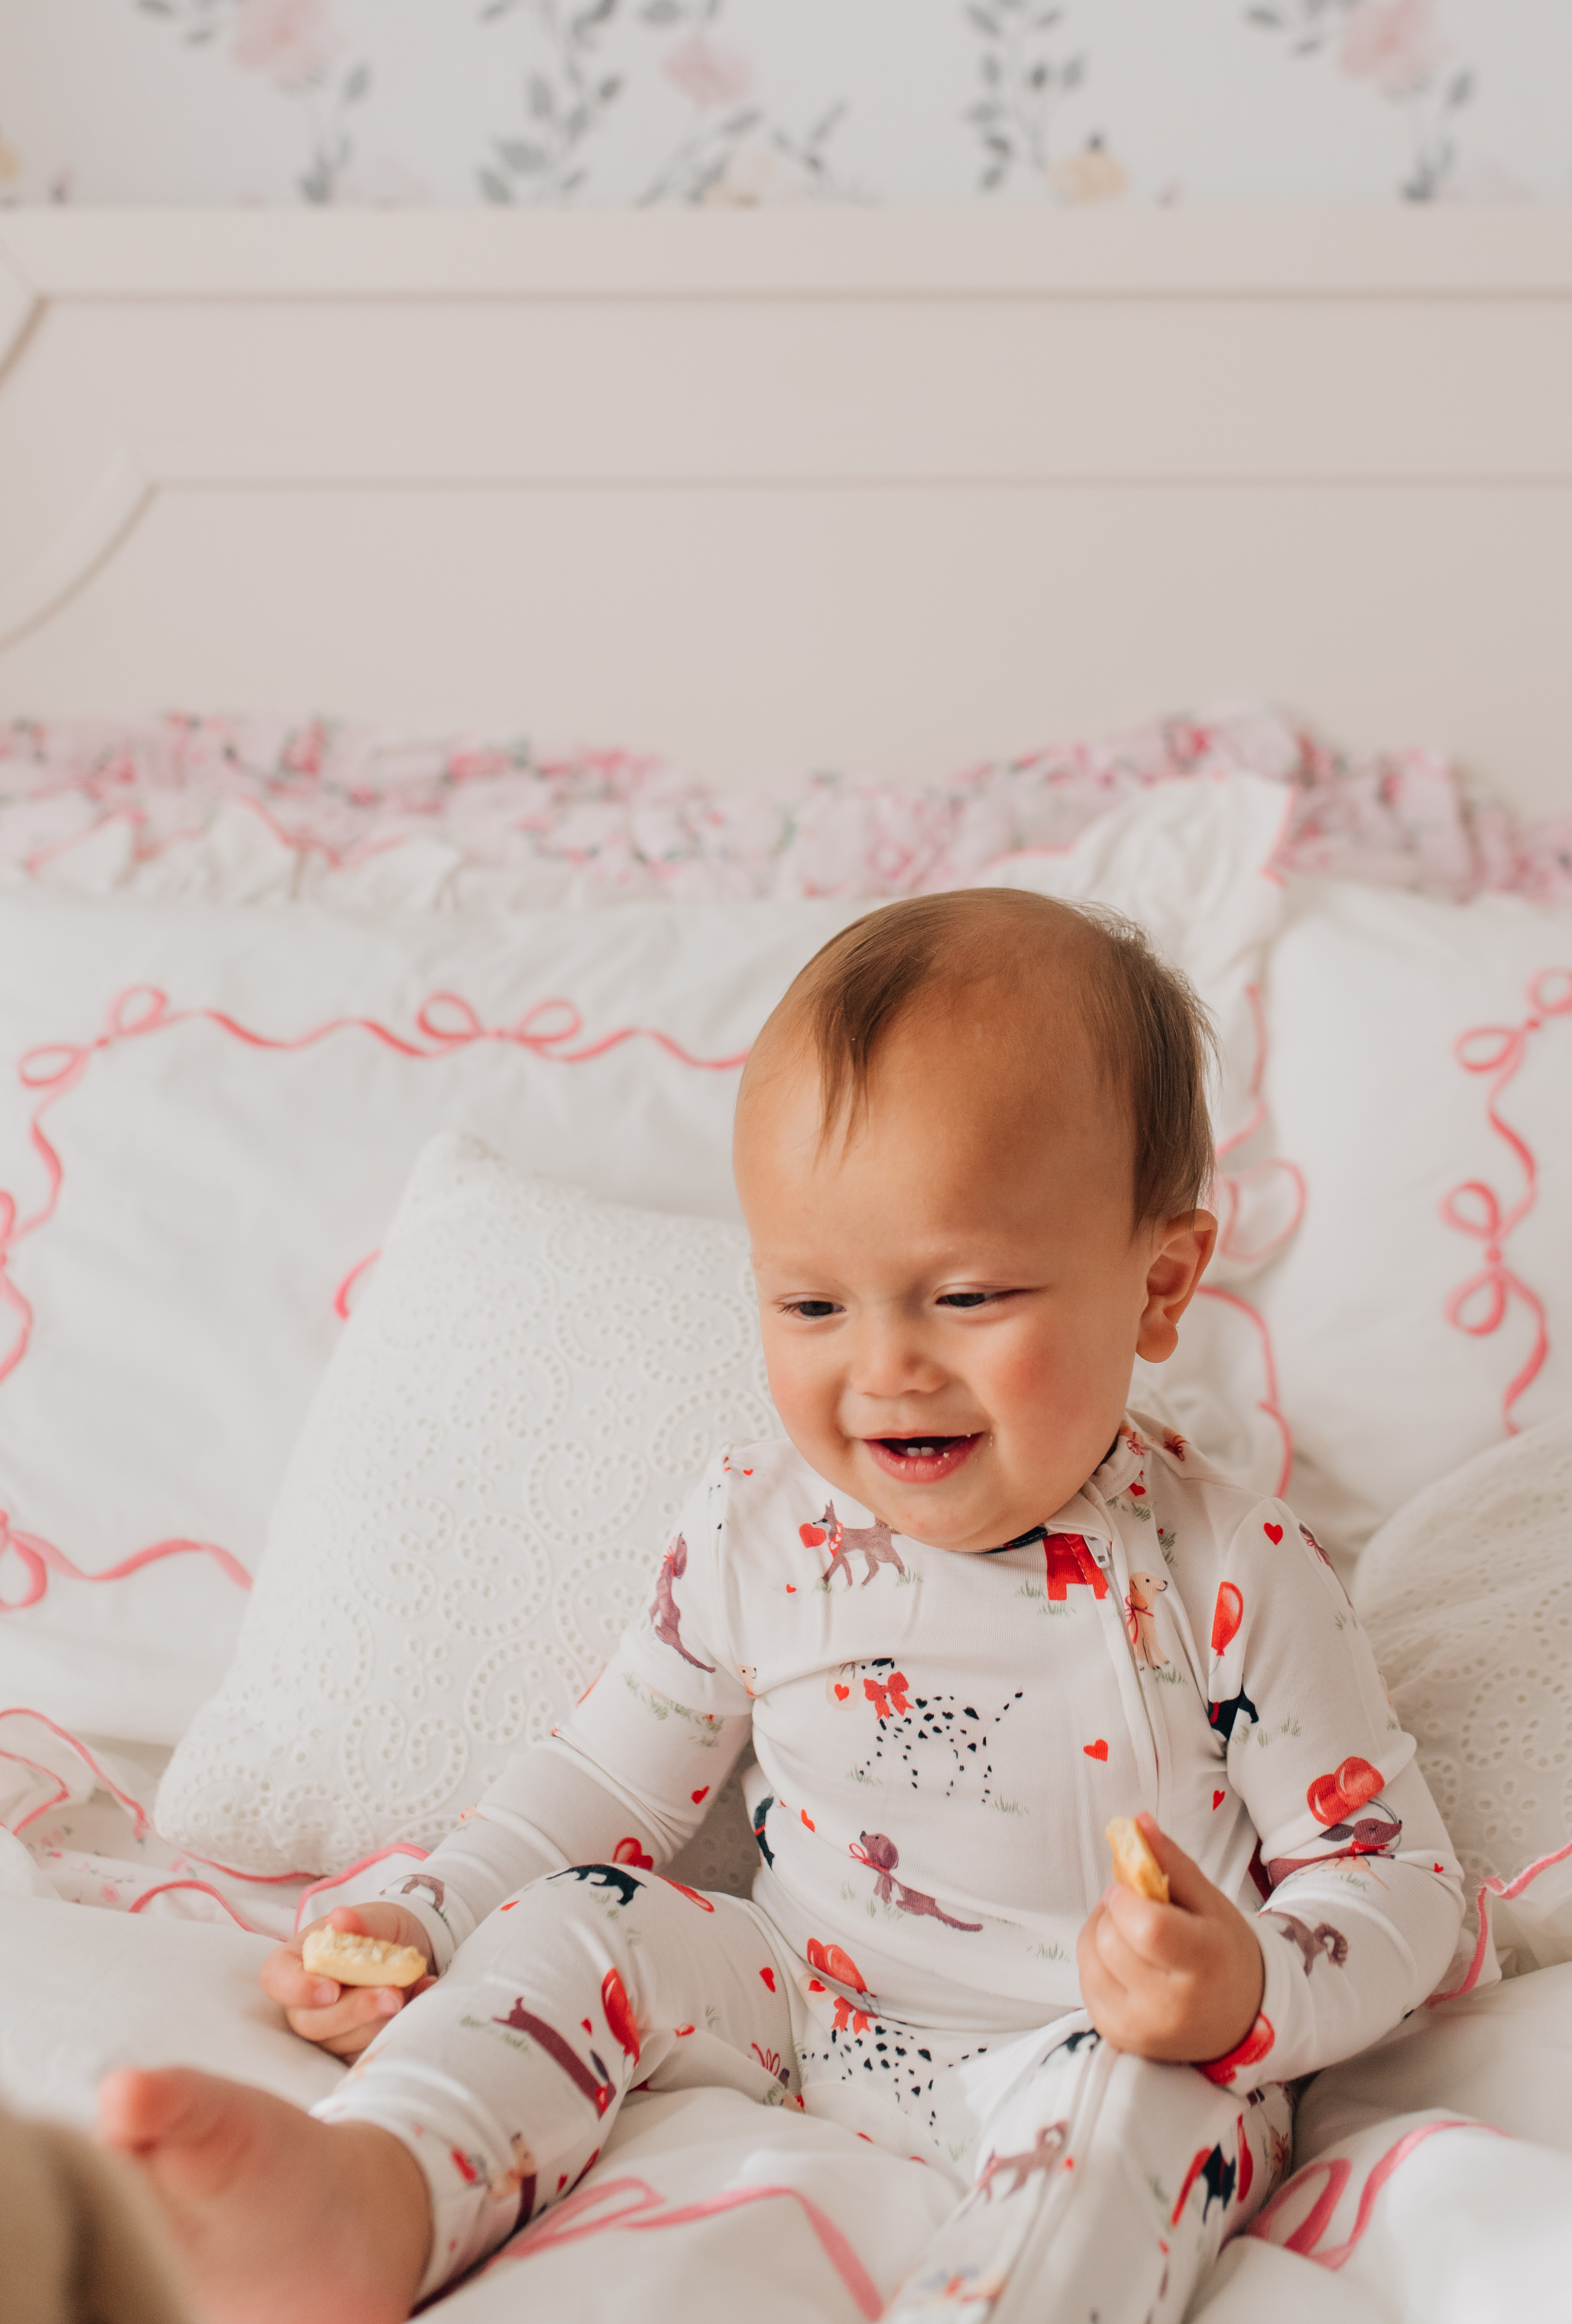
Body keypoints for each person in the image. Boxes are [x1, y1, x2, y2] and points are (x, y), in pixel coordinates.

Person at [98, 890, 1462, 2322]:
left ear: (1161, 1283)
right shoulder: (758, 1530)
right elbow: (607, 1781)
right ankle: (373, 2191)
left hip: (1087, 2039)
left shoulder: (1231, 1569)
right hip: (803, 1996)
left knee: (1153, 2107)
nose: (885, 1369)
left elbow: (1397, 1883)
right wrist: (426, 1916)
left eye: (968, 1297)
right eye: (813, 1306)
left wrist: (1245, 1991)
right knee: (582, 1919)